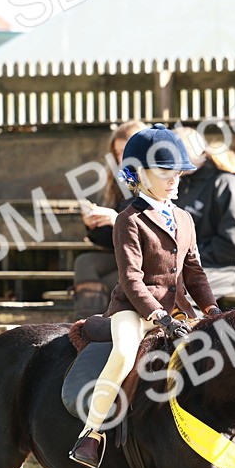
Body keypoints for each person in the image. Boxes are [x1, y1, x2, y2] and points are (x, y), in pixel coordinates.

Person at [69, 124, 221, 468]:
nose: (174, 180)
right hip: (134, 309)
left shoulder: (184, 218)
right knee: (123, 354)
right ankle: (91, 433)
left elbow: (194, 271)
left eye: (177, 173)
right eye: (164, 172)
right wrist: (159, 317)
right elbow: (132, 279)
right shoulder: (129, 219)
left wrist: (211, 308)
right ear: (139, 174)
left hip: (178, 309)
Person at [174, 126, 235, 298]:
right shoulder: (181, 183)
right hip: (193, 265)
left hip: (228, 269)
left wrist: (191, 258)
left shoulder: (228, 181)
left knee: (180, 296)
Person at [72, 119, 148, 319]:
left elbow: (159, 230)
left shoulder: (161, 177)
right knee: (85, 262)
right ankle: (86, 326)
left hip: (152, 260)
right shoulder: (124, 182)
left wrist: (118, 220)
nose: (122, 158)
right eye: (117, 153)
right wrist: (95, 226)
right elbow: (114, 240)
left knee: (106, 284)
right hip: (129, 255)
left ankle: (92, 327)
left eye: (128, 150)